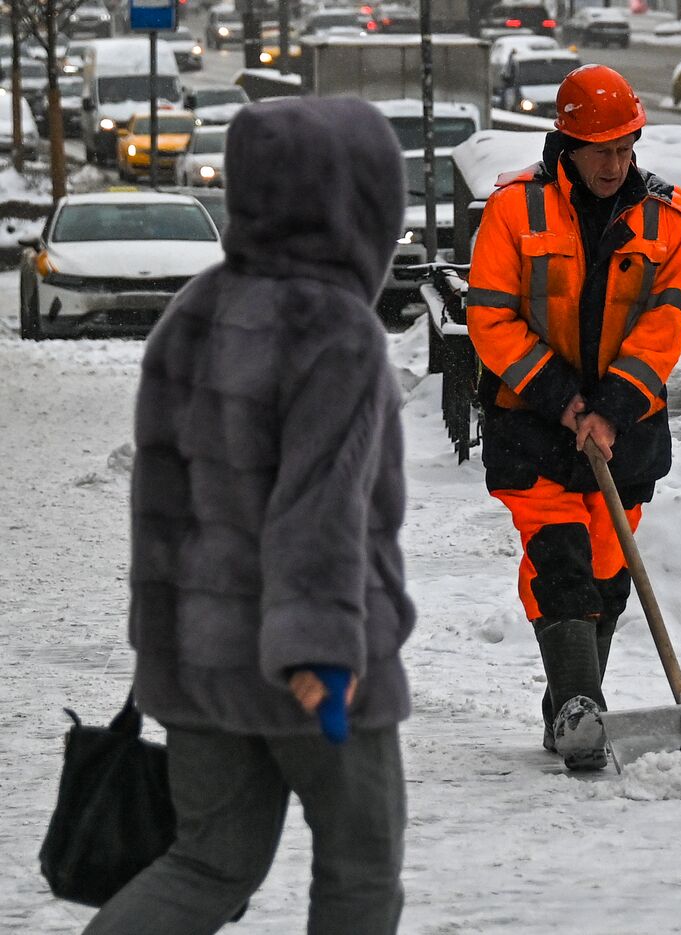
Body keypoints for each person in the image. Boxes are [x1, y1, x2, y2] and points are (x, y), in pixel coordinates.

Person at [84, 97, 415, 934]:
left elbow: (162, 508)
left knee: (207, 863)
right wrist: (317, 654)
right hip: (314, 666)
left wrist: (165, 643)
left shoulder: (189, 315)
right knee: (360, 873)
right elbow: (320, 505)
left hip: (199, 663)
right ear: (357, 202)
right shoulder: (334, 328)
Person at [466, 64, 681, 771]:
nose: (615, 163)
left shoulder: (666, 216)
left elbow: (662, 324)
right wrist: (566, 401)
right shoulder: (515, 210)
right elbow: (491, 318)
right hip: (533, 424)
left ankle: (569, 701)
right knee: (559, 560)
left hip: (625, 431)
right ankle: (581, 710)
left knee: (605, 573)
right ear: (567, 143)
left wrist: (613, 409)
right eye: (601, 150)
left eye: (626, 148)